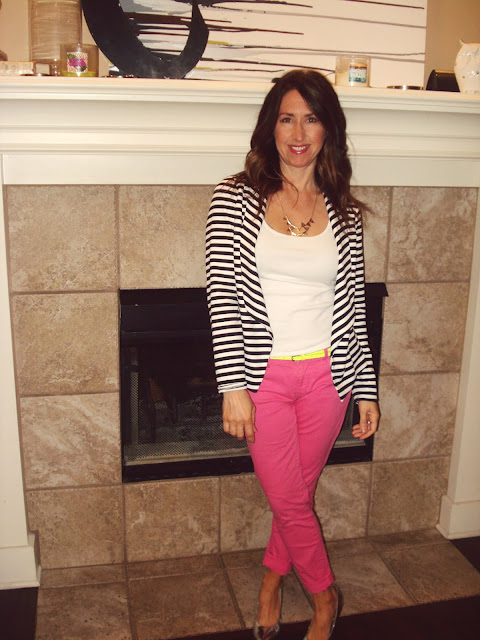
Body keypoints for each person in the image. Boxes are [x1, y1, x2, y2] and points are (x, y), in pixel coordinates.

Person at [205, 69, 380, 640]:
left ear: (328, 129)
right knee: (289, 497)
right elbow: (222, 295)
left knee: (296, 496)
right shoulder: (233, 197)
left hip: (330, 378)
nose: (298, 133)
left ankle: (271, 580)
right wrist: (233, 386)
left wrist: (366, 389)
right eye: (287, 118)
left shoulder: (344, 212)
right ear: (270, 127)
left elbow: (353, 307)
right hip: (264, 379)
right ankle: (326, 596)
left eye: (311, 118)